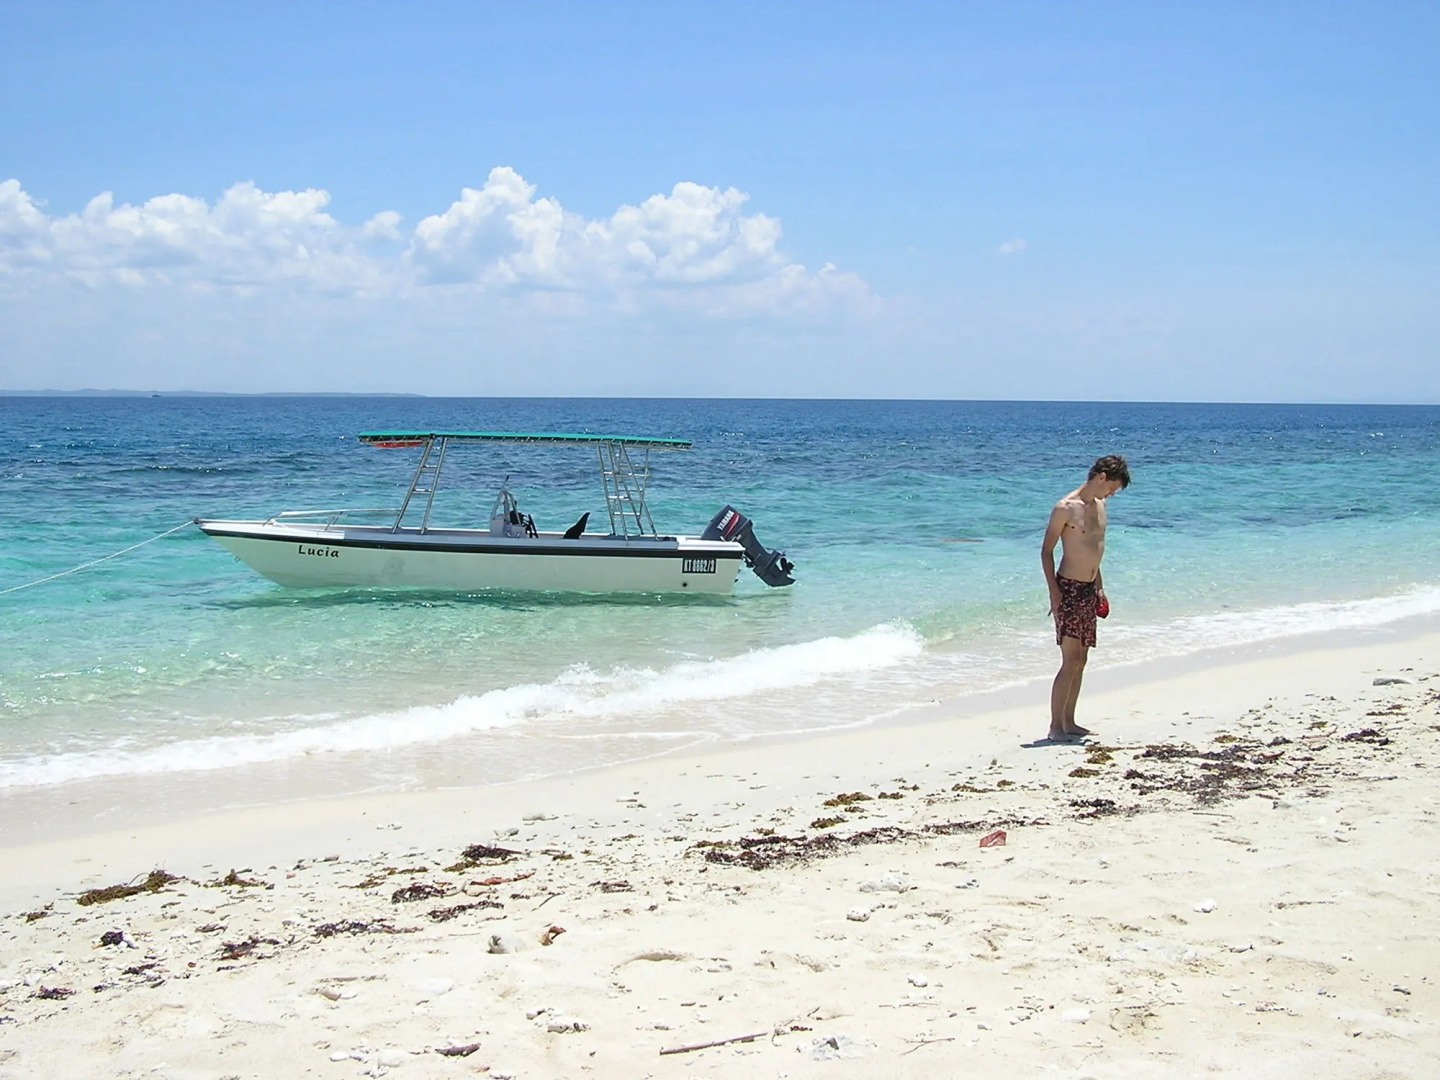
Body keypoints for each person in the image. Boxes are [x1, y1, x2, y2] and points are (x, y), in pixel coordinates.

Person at [1040, 454, 1130, 741]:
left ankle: (1070, 721)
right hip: (1068, 589)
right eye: (1112, 488)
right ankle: (1055, 726)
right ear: (1101, 477)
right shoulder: (1065, 508)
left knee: (1082, 659)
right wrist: (1054, 591)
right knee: (1070, 659)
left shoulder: (1100, 507)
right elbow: (1046, 551)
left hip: (1090, 589)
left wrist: (1100, 587)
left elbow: (1094, 550)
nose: (1112, 494)